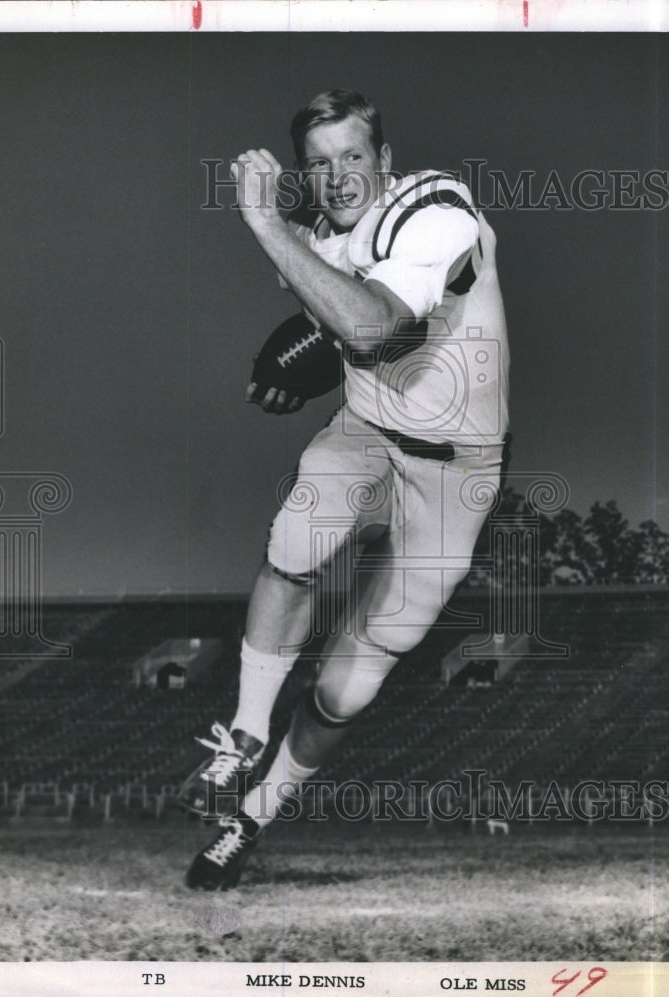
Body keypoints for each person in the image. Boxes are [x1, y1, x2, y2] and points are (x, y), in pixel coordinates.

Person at [182, 89, 509, 890]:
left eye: (352, 156)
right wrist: (299, 370)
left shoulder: (435, 211)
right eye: (317, 164)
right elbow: (335, 318)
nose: (337, 177)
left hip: (454, 468)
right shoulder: (322, 239)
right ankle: (242, 738)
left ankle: (251, 818)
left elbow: (370, 327)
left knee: (344, 689)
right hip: (364, 437)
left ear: (385, 161)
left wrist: (261, 225)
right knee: (294, 544)